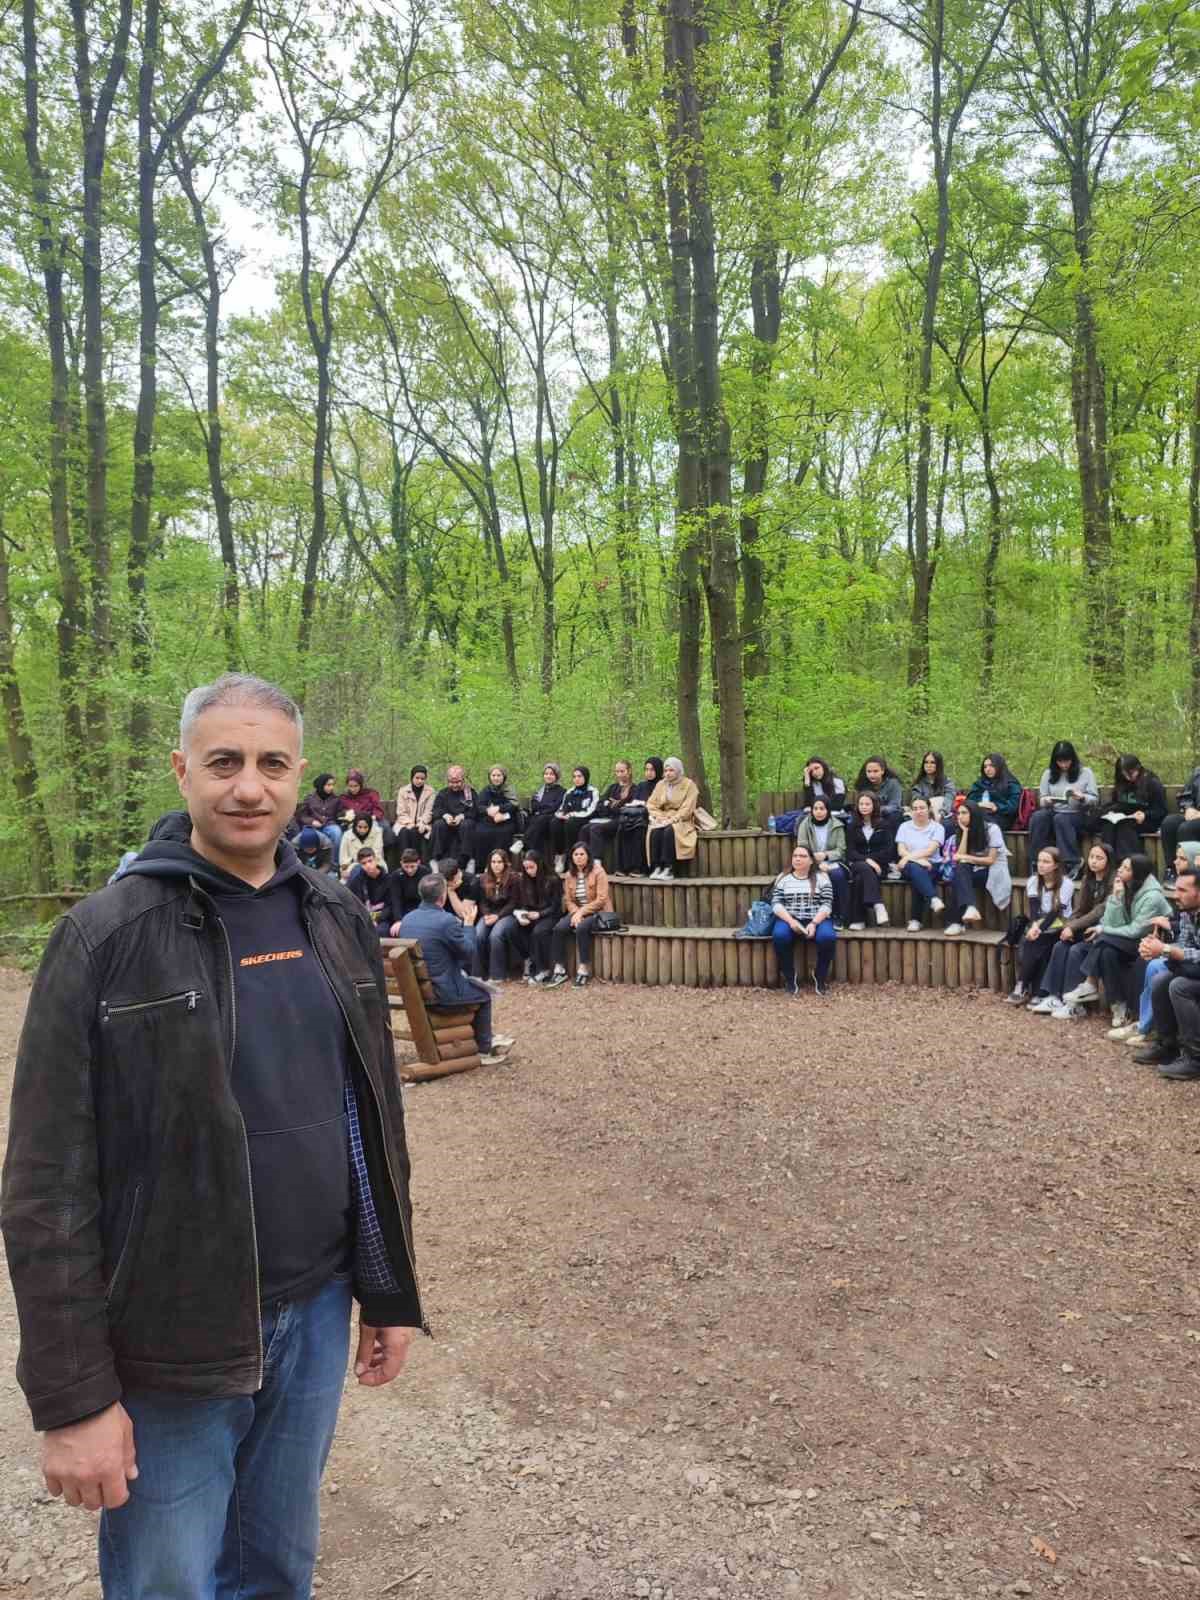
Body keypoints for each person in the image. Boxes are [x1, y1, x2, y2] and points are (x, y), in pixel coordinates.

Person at [0, 673, 423, 1598]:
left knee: (277, 1569)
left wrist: (387, 1288)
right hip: (169, 1335)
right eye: (224, 762)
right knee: (171, 1582)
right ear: (182, 769)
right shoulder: (104, 937)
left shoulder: (336, 917)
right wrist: (74, 1399)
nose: (249, 787)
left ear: (300, 774)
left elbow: (372, 1121)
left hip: (315, 1313)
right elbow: (45, 1184)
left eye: (272, 764)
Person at [398, 874, 514, 1065]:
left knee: (469, 983)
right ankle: (484, 1049)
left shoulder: (407, 920)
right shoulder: (446, 921)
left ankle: (485, 1038)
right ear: (442, 896)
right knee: (484, 996)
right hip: (442, 995)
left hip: (417, 992)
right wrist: (468, 926)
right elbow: (469, 953)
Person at [1062, 852, 1171, 1027]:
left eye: (1126, 868)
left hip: (1149, 940)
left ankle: (1090, 982)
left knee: (1104, 938)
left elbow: (1135, 930)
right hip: (1127, 941)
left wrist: (1103, 929)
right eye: (1121, 866)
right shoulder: (1126, 886)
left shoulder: (1152, 896)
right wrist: (1116, 897)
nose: (1120, 870)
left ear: (1137, 873)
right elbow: (1111, 922)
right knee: (1107, 952)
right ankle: (1118, 1007)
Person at [1029, 842, 1116, 1018]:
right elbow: (1080, 909)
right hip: (1084, 928)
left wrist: (1073, 926)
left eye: (1099, 858)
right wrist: (1068, 926)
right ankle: (1054, 996)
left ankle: (1074, 1004)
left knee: (1076, 950)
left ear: (1109, 861)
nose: (1093, 861)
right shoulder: (1087, 879)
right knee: (1060, 945)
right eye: (1091, 857)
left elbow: (1099, 911)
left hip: (1102, 931)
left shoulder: (1114, 882)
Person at [1132, 868, 1200, 1078]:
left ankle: (1195, 1059)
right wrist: (1155, 946)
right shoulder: (1188, 912)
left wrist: (1166, 949)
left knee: (1179, 986)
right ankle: (1168, 1046)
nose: (1176, 895)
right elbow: (1185, 946)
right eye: (1176, 889)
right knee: (1161, 980)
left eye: (1182, 890)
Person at [536, 842, 613, 988]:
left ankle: (583, 969)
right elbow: (568, 899)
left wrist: (581, 912)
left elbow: (601, 899)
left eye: (582, 854)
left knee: (582, 928)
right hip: (577, 911)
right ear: (571, 857)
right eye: (575, 854)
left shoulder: (599, 872)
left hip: (597, 912)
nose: (578, 857)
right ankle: (560, 969)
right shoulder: (569, 874)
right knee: (559, 928)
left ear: (588, 856)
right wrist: (576, 912)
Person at [1005, 848, 1076, 1004]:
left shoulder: (1067, 884)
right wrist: (1034, 927)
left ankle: (1023, 985)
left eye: (1046, 861)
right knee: (1034, 941)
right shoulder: (1033, 881)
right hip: (1040, 923)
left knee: (1038, 940)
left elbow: (1055, 913)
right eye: (1039, 861)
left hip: (1061, 923)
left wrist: (1038, 929)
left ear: (1056, 865)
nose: (1041, 865)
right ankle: (1035, 991)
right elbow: (1034, 911)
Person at [770, 843, 836, 996]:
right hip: (789, 918)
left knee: (827, 937)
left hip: (816, 918)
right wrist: (791, 921)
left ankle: (820, 976)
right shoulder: (783, 878)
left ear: (811, 860)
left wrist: (814, 923)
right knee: (780, 936)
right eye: (795, 856)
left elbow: (827, 904)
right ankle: (789, 978)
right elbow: (776, 904)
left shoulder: (822, 878)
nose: (798, 859)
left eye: (802, 856)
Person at [1027, 741, 1098, 871]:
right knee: (1038, 817)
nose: (1064, 765)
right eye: (1060, 762)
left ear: (1073, 759)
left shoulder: (1086, 773)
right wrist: (1047, 800)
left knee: (1061, 818)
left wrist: (1082, 797)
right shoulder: (1048, 774)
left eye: (1067, 761)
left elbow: (1094, 799)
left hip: (1078, 814)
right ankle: (1037, 860)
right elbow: (1042, 800)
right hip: (1055, 811)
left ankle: (1072, 862)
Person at [491, 850, 561, 981]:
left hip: (550, 915)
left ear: (539, 864)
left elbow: (555, 906)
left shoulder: (552, 879)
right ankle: (528, 959)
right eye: (526, 868)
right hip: (532, 914)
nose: (529, 871)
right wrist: (522, 914)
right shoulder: (524, 879)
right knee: (511, 929)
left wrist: (539, 914)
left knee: (538, 931)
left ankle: (542, 969)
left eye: (531, 867)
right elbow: (523, 903)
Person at [942, 800, 1004, 935]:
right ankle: (970, 907)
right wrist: (965, 832)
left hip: (991, 871)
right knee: (959, 871)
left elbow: (991, 860)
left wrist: (968, 858)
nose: (960, 816)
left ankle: (956, 922)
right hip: (972, 870)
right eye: (958, 813)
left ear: (974, 814)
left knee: (959, 876)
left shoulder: (992, 829)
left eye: (964, 813)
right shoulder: (961, 830)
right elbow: (959, 858)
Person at [1097, 754, 1167, 864]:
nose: (1127, 777)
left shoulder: (1152, 783)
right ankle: (1108, 860)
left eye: (1130, 773)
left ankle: (1131, 862)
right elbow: (1117, 803)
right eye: (1124, 774)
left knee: (1125, 826)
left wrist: (1145, 815)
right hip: (1126, 817)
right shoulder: (1122, 783)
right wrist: (1111, 811)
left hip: (1148, 820)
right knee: (1108, 824)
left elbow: (1161, 811)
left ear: (1138, 768)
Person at [794, 797, 848, 926]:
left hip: (833, 861)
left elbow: (841, 850)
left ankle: (839, 915)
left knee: (838, 875)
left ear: (828, 810)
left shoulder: (837, 825)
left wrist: (826, 856)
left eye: (822, 809)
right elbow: (802, 848)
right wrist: (816, 862)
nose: (818, 812)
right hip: (809, 862)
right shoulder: (805, 825)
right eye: (815, 808)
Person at [895, 795, 945, 930]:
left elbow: (930, 851)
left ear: (929, 809)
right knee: (915, 868)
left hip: (931, 865)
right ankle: (933, 898)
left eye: (922, 808)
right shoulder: (904, 826)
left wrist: (909, 858)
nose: (918, 811)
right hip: (910, 865)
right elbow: (901, 850)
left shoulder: (938, 828)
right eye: (915, 808)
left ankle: (915, 920)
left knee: (917, 875)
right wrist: (917, 860)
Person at [844, 791, 894, 929]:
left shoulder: (884, 825)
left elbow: (889, 851)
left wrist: (871, 860)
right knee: (863, 868)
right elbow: (850, 852)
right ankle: (878, 904)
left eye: (867, 804)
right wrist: (867, 860)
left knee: (860, 879)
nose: (864, 807)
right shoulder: (852, 826)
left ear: (874, 805)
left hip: (880, 866)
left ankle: (858, 920)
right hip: (857, 864)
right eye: (861, 804)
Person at [646, 757, 700, 879]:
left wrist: (673, 819)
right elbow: (651, 804)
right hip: (663, 818)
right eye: (666, 771)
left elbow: (687, 808)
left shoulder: (689, 785)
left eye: (671, 770)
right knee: (655, 831)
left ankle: (668, 868)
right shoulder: (661, 784)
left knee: (669, 830)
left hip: (682, 821)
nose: (668, 773)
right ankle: (657, 867)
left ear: (679, 770)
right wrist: (659, 816)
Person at [580, 760, 637, 863]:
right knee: (584, 828)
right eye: (617, 771)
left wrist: (612, 805)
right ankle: (583, 859)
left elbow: (626, 809)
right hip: (607, 818)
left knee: (595, 829)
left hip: (622, 820)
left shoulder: (634, 789)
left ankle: (597, 861)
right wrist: (610, 805)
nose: (619, 774)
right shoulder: (613, 787)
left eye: (622, 771)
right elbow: (600, 805)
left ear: (629, 771)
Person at [614, 758, 663, 875]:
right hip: (636, 816)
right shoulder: (641, 785)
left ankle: (638, 867)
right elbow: (634, 802)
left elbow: (661, 804)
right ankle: (623, 866)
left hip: (652, 818)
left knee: (639, 829)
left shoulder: (662, 785)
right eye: (646, 769)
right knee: (622, 827)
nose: (648, 772)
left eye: (652, 770)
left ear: (658, 770)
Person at [475, 848, 518, 979]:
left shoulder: (513, 878)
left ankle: (497, 975)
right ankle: (479, 974)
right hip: (489, 914)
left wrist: (498, 916)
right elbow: (482, 901)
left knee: (496, 935)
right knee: (478, 934)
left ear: (505, 863)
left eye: (499, 862)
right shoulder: (483, 878)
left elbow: (513, 903)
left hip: (507, 914)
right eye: (493, 862)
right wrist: (487, 914)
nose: (496, 865)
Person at [550, 766, 600, 871]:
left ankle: (571, 858)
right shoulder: (569, 792)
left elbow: (591, 810)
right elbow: (562, 808)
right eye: (574, 777)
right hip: (570, 818)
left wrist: (572, 814)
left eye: (579, 776)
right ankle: (560, 856)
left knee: (570, 823)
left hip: (586, 818)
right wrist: (561, 815)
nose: (576, 779)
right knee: (555, 822)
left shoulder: (593, 791)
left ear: (586, 777)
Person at [429, 766, 477, 869]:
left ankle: (465, 859)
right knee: (438, 825)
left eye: (458, 782)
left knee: (467, 825)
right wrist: (445, 816)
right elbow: (436, 810)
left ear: (463, 780)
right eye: (451, 782)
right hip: (447, 823)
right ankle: (438, 858)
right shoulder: (443, 793)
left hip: (464, 823)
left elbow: (474, 811)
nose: (455, 785)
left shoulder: (469, 793)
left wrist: (462, 816)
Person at [472, 767, 522, 863]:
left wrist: (500, 810)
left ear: (504, 777)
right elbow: (479, 806)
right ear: (490, 777)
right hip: (490, 820)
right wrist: (488, 811)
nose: (496, 778)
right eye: (493, 775)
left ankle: (502, 863)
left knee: (502, 833)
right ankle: (483, 864)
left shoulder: (509, 790)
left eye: (499, 775)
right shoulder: (486, 790)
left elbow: (514, 806)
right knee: (480, 832)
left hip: (507, 820)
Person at [1160, 763, 1200, 877]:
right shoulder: (1198, 772)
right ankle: (1172, 870)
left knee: (1187, 828)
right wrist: (1188, 808)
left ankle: (1190, 873)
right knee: (1170, 823)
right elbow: (1185, 796)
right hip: (1195, 816)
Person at [966, 753, 1022, 830]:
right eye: (985, 767)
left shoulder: (1011, 783)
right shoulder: (979, 783)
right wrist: (979, 804)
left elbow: (1013, 806)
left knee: (981, 821)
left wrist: (996, 807)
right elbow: (969, 801)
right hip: (980, 814)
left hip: (1002, 817)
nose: (988, 769)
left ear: (999, 766)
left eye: (991, 765)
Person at [522, 764, 566, 858]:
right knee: (532, 820)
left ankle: (524, 844)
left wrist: (541, 808)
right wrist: (545, 806)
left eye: (551, 774)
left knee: (541, 819)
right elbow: (534, 805)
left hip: (550, 819)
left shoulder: (561, 791)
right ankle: (532, 855)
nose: (548, 776)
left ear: (556, 776)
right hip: (537, 819)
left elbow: (555, 807)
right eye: (546, 774)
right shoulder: (539, 791)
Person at [297, 772, 343, 859]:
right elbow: (302, 815)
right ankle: (306, 861)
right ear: (321, 785)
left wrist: (344, 814)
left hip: (329, 825)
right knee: (306, 836)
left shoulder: (336, 799)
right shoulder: (310, 798)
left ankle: (334, 862)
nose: (331, 787)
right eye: (328, 785)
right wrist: (312, 821)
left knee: (336, 832)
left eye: (332, 785)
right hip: (312, 826)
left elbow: (339, 813)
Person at [393, 765, 434, 857]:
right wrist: (409, 823)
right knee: (404, 833)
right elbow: (401, 812)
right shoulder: (403, 791)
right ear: (412, 777)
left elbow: (429, 811)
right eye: (417, 778)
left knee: (416, 832)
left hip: (423, 824)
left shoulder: (430, 791)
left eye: (422, 779)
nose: (419, 781)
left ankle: (416, 860)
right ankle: (404, 859)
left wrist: (422, 822)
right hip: (404, 823)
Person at [385, 848, 427, 933]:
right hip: (404, 909)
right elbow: (396, 899)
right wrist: (398, 920)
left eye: (412, 866)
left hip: (421, 908)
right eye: (406, 867)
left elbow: (427, 897)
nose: (409, 870)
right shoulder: (395, 876)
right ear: (401, 863)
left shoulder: (425, 872)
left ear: (418, 862)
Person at [852, 757, 903, 826]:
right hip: (866, 816)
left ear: (882, 771)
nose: (872, 775)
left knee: (894, 816)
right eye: (869, 771)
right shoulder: (862, 784)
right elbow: (859, 805)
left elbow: (895, 805)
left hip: (887, 816)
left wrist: (875, 810)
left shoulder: (893, 783)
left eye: (875, 771)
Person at [346, 846, 391, 925]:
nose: (368, 865)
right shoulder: (356, 881)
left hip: (383, 918)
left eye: (370, 861)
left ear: (376, 860)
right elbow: (353, 903)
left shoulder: (388, 879)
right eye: (364, 863)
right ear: (360, 865)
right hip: (365, 918)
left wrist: (378, 920)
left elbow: (391, 905)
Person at [909, 751, 958, 821]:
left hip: (943, 816)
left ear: (938, 765)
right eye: (926, 762)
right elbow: (916, 800)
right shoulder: (918, 783)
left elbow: (949, 799)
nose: (928, 765)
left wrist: (941, 814)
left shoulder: (947, 782)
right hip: (922, 815)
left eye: (932, 762)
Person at [339, 811, 384, 878]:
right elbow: (343, 859)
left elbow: (377, 853)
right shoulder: (347, 835)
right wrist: (345, 868)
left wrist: (367, 865)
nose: (362, 830)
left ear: (370, 826)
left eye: (365, 827)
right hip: (352, 866)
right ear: (355, 825)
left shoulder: (377, 832)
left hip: (375, 863)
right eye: (359, 827)